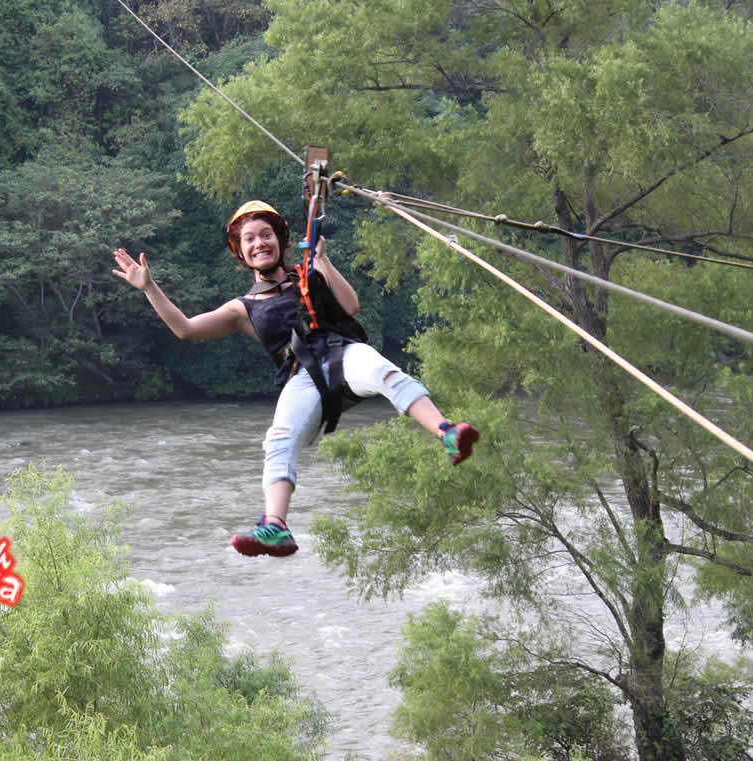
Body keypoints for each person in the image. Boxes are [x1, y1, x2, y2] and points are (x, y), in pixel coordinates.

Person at [111, 200, 479, 558]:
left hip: (342, 353)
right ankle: (275, 526)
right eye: (249, 239)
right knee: (278, 439)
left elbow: (350, 307)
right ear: (240, 252)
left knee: (382, 372)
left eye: (266, 235)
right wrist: (149, 288)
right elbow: (186, 329)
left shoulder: (308, 275)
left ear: (280, 240)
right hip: (302, 377)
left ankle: (446, 432)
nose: (259, 243)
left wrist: (322, 261)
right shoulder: (242, 308)